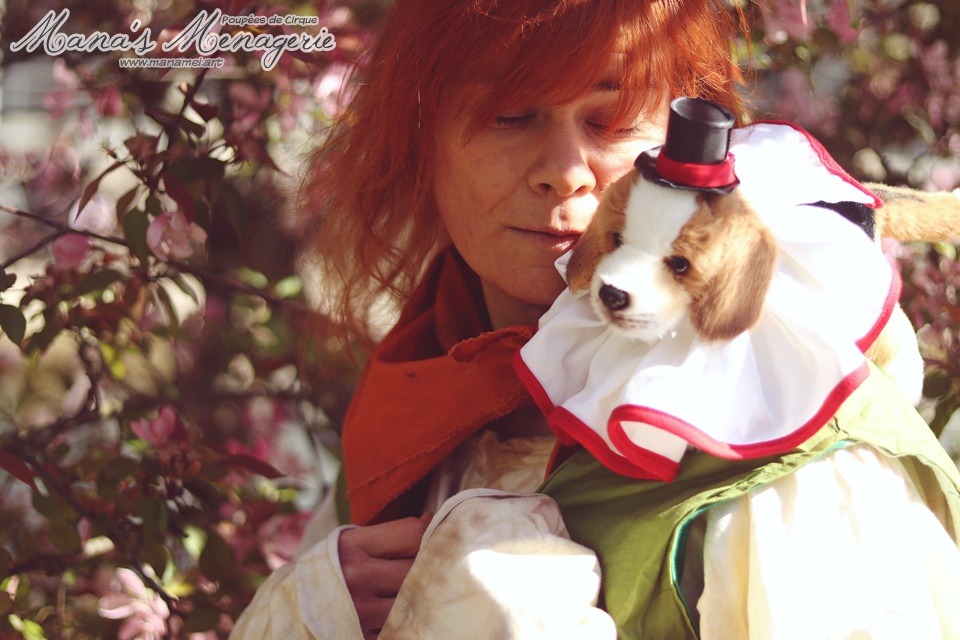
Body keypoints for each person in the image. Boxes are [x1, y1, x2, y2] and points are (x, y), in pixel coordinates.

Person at [231, 1, 960, 638]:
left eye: (610, 121)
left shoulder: (783, 438)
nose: (563, 170)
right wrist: (308, 613)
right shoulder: (430, 382)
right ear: (423, 139)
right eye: (510, 116)